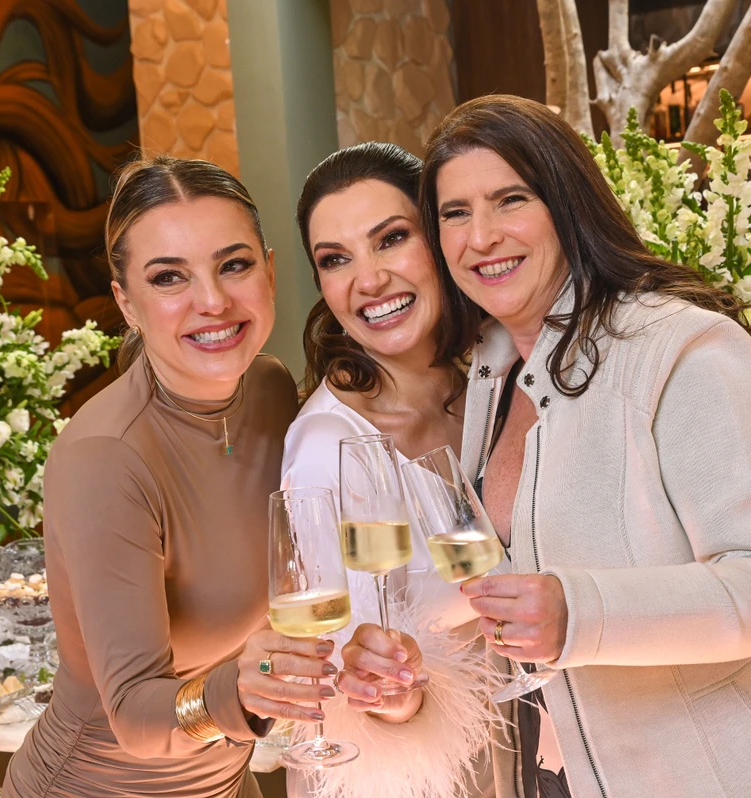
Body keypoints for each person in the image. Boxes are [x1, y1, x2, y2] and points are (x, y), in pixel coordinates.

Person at [420, 95, 751, 798]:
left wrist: (578, 611)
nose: (480, 236)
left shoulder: (681, 347)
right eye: (455, 213)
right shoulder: (488, 369)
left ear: (566, 204)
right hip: (562, 770)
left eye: (509, 199)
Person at [4, 156, 329, 798]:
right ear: (126, 301)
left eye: (233, 265)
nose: (212, 301)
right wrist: (240, 690)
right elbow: (134, 716)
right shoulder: (107, 458)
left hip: (225, 781)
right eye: (168, 277)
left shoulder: (266, 388)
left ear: (269, 270)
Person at [281, 142, 497, 798]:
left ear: (440, 239)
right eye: (335, 259)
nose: (368, 280)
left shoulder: (490, 384)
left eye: (391, 239)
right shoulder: (330, 445)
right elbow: (346, 691)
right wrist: (394, 699)